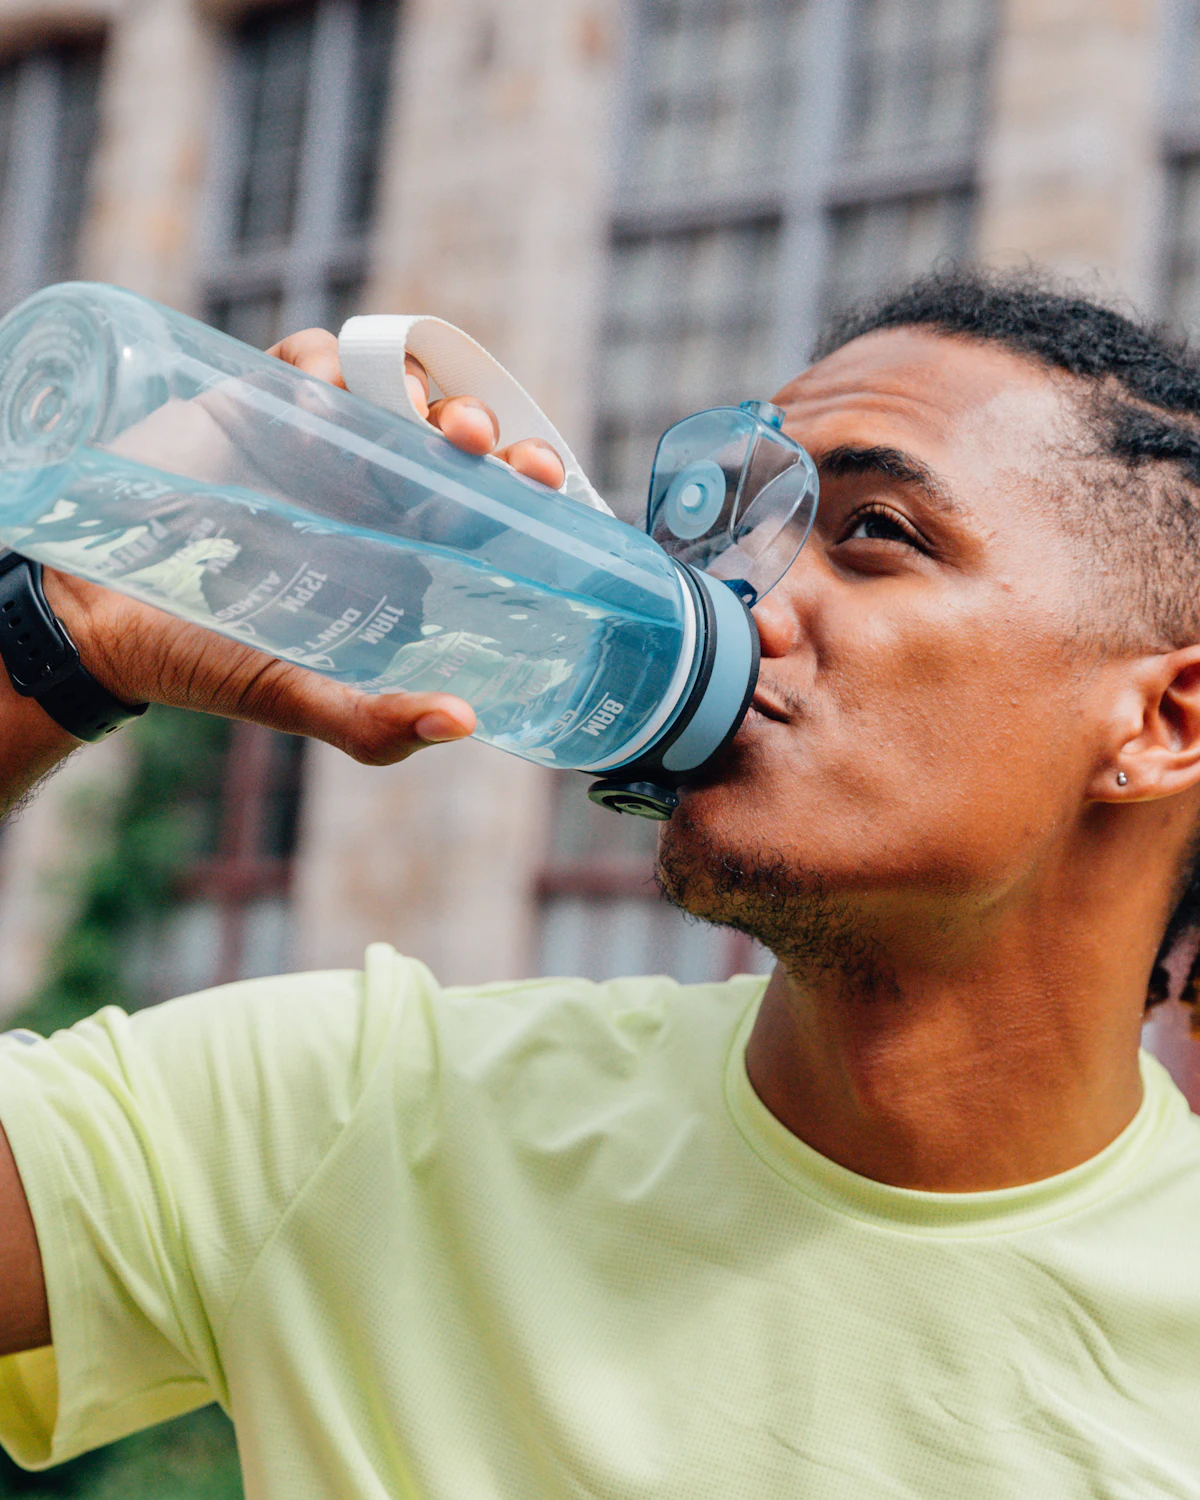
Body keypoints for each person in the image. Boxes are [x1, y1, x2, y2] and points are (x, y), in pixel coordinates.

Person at [2, 265, 1200, 1498]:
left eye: (874, 533)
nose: (738, 594)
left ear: (1166, 719)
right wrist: (64, 636)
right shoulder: (363, 1112)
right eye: (731, 531)